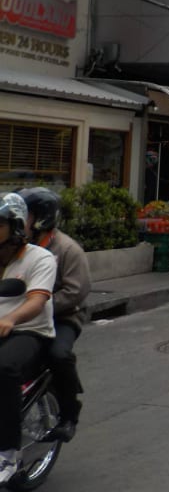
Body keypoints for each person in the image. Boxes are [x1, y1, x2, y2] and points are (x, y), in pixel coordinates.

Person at [20, 188, 89, 443]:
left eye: (24, 215)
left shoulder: (68, 249)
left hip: (62, 317)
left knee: (58, 354)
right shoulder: (17, 246)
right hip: (21, 315)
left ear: (40, 218)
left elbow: (75, 292)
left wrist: (37, 306)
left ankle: (69, 413)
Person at [0, 193, 56, 484]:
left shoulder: (41, 258)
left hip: (30, 331)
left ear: (17, 227)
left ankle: (7, 453)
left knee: (4, 368)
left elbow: (36, 300)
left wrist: (10, 318)